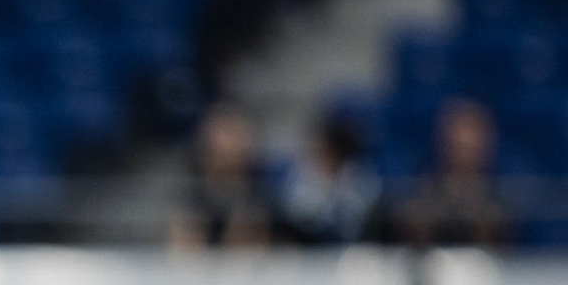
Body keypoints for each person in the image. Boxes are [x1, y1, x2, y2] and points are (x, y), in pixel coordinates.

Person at [394, 98, 511, 250]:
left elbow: (501, 246)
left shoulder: (499, 198)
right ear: (443, 139)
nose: (464, 142)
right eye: (458, 133)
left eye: (472, 133)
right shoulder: (422, 191)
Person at [168, 102, 273, 251]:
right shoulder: (190, 203)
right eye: (225, 131)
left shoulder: (261, 201)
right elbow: (181, 258)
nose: (230, 143)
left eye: (236, 131)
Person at [276, 113, 380, 246]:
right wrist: (321, 186)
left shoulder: (360, 172)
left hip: (352, 242)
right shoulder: (303, 171)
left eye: (330, 151)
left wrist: (335, 189)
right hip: (308, 242)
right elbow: (299, 212)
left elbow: (358, 211)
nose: (325, 155)